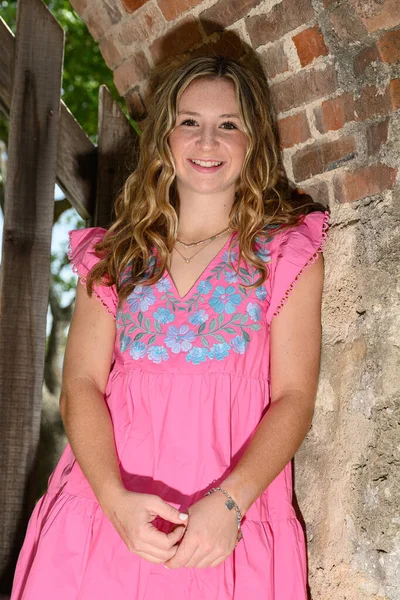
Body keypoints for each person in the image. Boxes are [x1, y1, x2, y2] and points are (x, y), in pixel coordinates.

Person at [11, 55, 329, 599]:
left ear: (254, 143)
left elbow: (295, 397)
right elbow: (81, 385)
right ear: (164, 137)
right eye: (190, 123)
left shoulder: (285, 253)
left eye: (228, 125)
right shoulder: (117, 256)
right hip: (110, 516)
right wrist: (113, 500)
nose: (208, 141)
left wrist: (231, 503)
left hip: (224, 527)